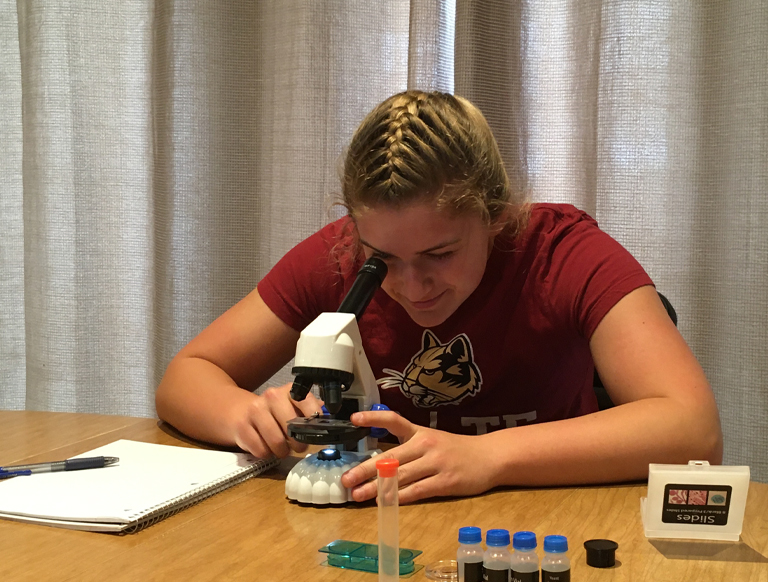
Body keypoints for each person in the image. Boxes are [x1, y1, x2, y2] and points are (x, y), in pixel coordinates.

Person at [155, 90, 722, 504]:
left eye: (440, 254)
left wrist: (489, 455)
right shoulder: (338, 256)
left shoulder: (567, 255)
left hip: (546, 521)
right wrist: (245, 415)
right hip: (383, 530)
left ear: (498, 215)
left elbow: (691, 428)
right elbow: (187, 375)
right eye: (383, 260)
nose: (411, 286)